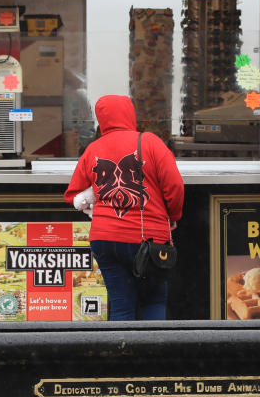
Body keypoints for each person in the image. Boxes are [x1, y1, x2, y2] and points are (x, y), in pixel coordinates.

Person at [64, 95, 184, 320]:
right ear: (130, 114)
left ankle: (121, 353)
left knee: (120, 305)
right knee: (153, 300)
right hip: (148, 238)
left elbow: (73, 194)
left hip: (105, 239)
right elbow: (174, 185)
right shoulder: (150, 142)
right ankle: (153, 353)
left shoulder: (92, 149)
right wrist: (173, 215)